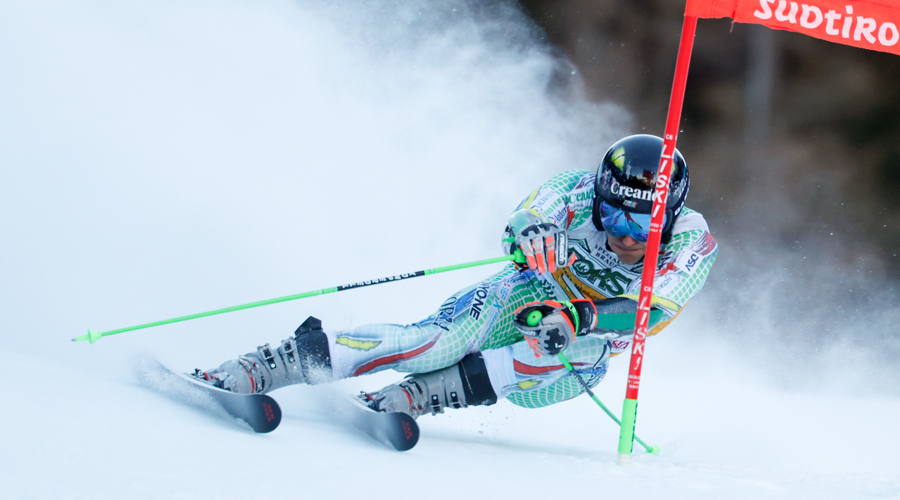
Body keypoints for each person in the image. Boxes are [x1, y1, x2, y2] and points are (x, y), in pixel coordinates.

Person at [193, 134, 718, 417]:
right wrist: (532, 233)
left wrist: (579, 317)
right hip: (525, 293)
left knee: (583, 351)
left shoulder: (694, 242)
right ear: (600, 195)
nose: (627, 234)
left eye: (643, 219)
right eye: (615, 214)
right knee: (434, 345)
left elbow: (649, 313)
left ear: (670, 214)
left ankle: (424, 396)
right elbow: (524, 218)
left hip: (576, 347)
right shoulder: (577, 189)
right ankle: (272, 363)